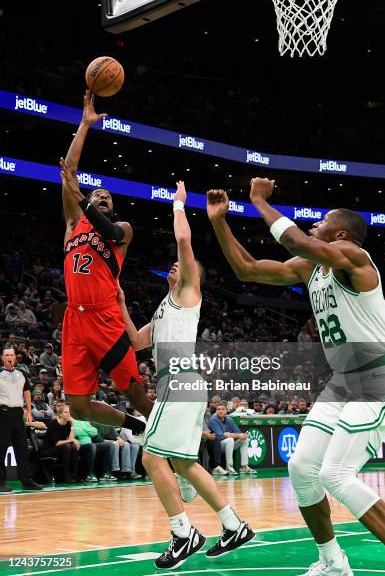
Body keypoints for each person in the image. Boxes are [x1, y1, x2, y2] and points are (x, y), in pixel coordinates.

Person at [207, 180, 385, 576]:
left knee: (336, 474)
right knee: (301, 468)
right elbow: (247, 269)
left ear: (341, 234)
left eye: (322, 222)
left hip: (379, 374)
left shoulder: (353, 256)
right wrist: (219, 222)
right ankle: (333, 561)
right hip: (343, 379)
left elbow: (298, 242)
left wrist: (260, 201)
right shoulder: (310, 267)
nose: (314, 224)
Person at [118, 181, 255, 570]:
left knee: (150, 457)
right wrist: (124, 305)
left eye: (184, 265)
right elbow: (136, 342)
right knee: (182, 464)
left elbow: (183, 243)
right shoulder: (165, 306)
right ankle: (234, 525)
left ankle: (183, 532)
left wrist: (180, 206)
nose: (177, 264)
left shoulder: (188, 293)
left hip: (180, 381)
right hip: (180, 384)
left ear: (194, 275)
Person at [58, 90, 153, 433]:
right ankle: (134, 426)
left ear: (112, 207)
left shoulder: (122, 231)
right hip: (74, 319)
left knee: (139, 397)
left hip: (105, 320)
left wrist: (83, 198)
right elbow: (69, 169)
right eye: (97, 193)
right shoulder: (73, 225)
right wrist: (84, 124)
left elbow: (111, 231)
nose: (102, 196)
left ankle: (180, 449)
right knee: (79, 407)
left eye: (107, 196)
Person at [0, 347, 42, 492]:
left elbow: (26, 391)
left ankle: (26, 480)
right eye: (7, 355)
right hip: (3, 413)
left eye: (12, 355)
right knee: (1, 448)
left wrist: (29, 410)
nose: (10, 357)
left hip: (18, 414)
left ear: (15, 357)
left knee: (22, 448)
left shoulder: (21, 374)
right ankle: (0, 482)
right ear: (2, 358)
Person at [209, 402, 256, 476]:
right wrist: (235, 435)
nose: (220, 411)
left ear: (226, 411)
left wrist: (237, 435)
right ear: (216, 411)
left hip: (228, 445)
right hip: (217, 446)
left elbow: (238, 432)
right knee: (230, 440)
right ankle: (229, 467)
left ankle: (244, 466)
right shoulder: (213, 420)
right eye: (218, 409)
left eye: (222, 409)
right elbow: (221, 436)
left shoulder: (229, 419)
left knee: (244, 439)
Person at [43, 404, 80, 483]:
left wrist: (72, 426)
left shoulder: (68, 424)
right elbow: (57, 443)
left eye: (69, 412)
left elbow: (71, 439)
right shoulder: (53, 423)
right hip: (49, 449)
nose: (68, 414)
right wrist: (72, 441)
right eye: (66, 412)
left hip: (62, 448)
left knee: (72, 446)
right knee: (68, 446)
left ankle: (74, 475)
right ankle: (66, 475)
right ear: (60, 414)